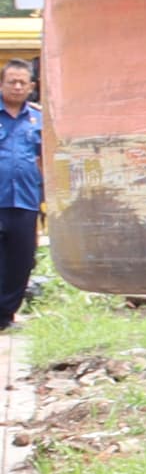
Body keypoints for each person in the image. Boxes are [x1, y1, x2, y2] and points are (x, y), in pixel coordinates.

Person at [0, 56, 38, 334]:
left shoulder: (39, 119)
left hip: (25, 201)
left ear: (31, 86)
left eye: (21, 82)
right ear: (2, 84)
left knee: (21, 260)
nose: (16, 86)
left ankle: (6, 315)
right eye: (11, 81)